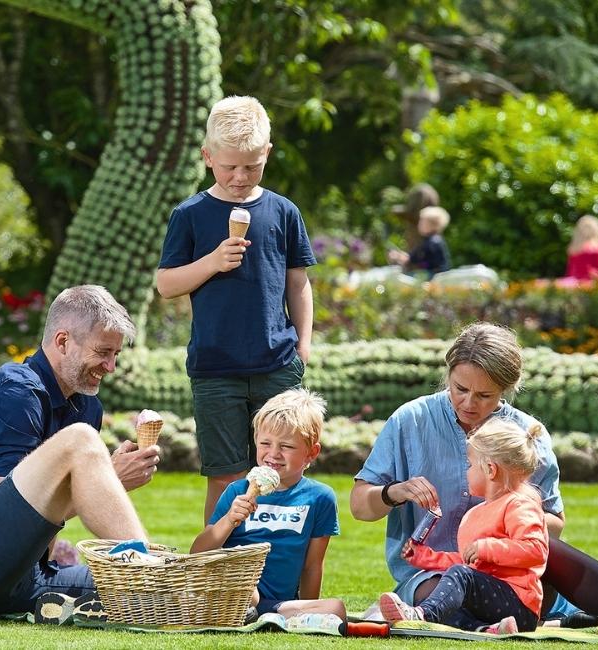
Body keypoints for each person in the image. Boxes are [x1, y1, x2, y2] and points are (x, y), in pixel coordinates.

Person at [350, 322, 598, 645]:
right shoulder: (411, 420)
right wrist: (393, 493)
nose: (468, 403)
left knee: (550, 550)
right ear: (448, 375)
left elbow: (553, 526)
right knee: (445, 589)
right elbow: (359, 506)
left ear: (506, 390)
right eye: (459, 389)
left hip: (514, 578)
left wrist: (510, 518)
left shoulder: (526, 433)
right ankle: (523, 624)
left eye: (484, 395)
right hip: (433, 577)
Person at [0, 285, 162, 617]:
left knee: (137, 594)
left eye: (116, 354)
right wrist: (109, 479)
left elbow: (37, 537)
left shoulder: (87, 407)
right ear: (62, 341)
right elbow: (12, 519)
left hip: (22, 578)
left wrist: (98, 483)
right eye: (103, 352)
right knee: (81, 440)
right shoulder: (17, 391)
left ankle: (184, 588)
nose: (111, 366)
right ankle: (152, 567)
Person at [157, 95, 316, 521]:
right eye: (229, 166)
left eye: (251, 166)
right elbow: (166, 283)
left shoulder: (283, 211)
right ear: (208, 157)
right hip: (215, 368)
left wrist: (302, 346)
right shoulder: (190, 214)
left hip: (276, 363)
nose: (240, 176)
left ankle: (278, 564)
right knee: (226, 478)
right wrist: (212, 262)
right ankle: (217, 571)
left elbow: (298, 283)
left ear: (267, 153)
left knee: (281, 472)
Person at [377, 418, 549, 635]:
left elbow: (536, 550)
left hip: (519, 604)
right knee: (450, 596)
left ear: (490, 469)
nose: (466, 471)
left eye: (469, 464)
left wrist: (487, 548)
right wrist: (425, 558)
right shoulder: (476, 513)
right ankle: (488, 630)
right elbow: (467, 561)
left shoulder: (519, 504)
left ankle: (421, 616)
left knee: (460, 577)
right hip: (493, 606)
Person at [190, 388, 345, 620]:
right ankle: (246, 611)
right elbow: (198, 553)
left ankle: (261, 615)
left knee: (335, 609)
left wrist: (309, 611)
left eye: (286, 446)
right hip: (234, 589)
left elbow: (312, 565)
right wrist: (229, 520)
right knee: (245, 585)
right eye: (265, 443)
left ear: (311, 453)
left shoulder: (320, 497)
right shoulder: (237, 490)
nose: (273, 454)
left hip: (277, 602)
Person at [390, 206, 452, 276]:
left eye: (422, 222)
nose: (419, 225)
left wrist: (408, 259)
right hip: (434, 273)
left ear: (432, 225)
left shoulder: (433, 242)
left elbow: (427, 262)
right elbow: (416, 256)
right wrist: (405, 257)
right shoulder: (431, 240)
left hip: (436, 275)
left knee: (408, 277)